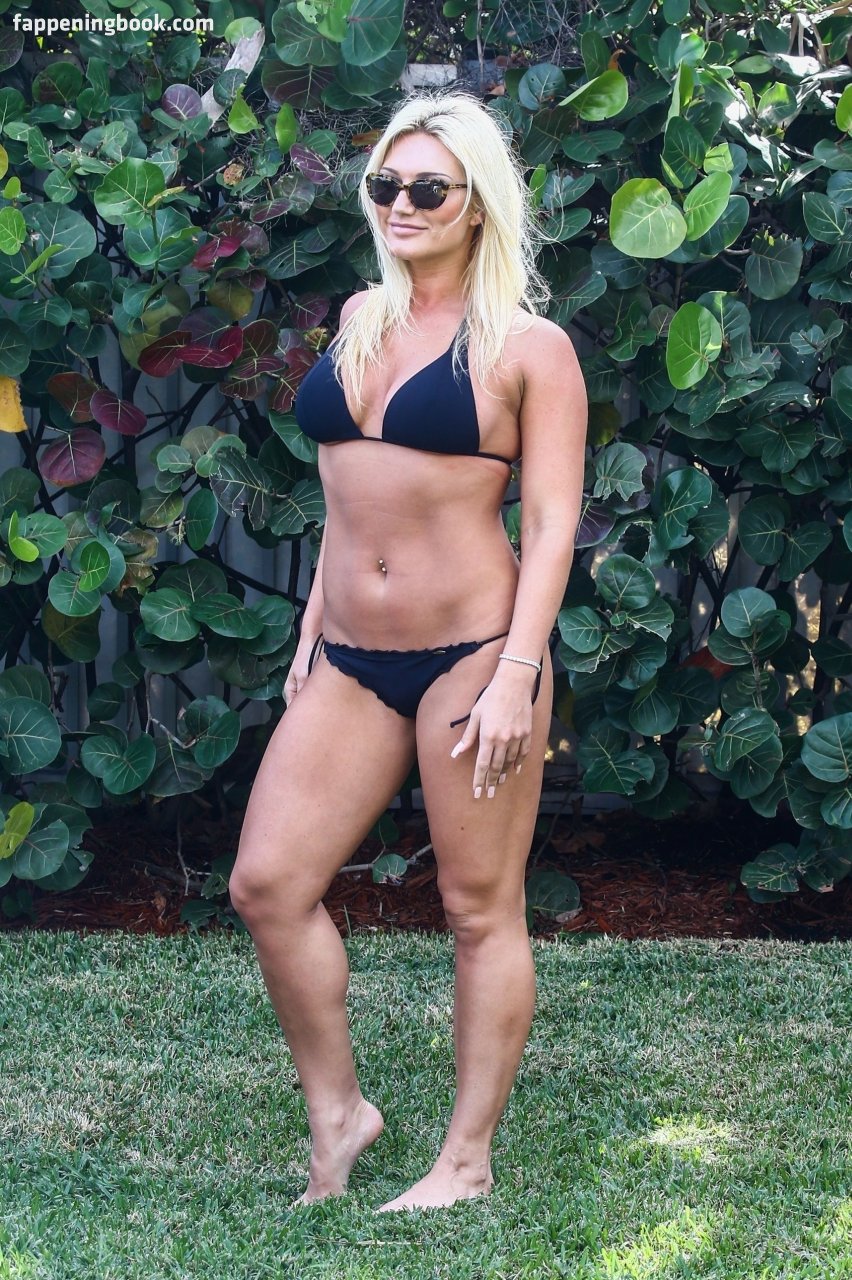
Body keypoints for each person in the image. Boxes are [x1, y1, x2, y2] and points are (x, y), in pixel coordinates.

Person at [228, 90, 587, 1212]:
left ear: (478, 204)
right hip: (348, 657)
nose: (402, 204)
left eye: (429, 187)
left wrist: (519, 671)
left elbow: (554, 522)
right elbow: (348, 493)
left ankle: (465, 1161)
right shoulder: (359, 317)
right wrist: (309, 622)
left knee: (479, 907)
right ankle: (341, 1114)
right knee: (267, 883)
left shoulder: (529, 347)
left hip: (472, 655)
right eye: (385, 184)